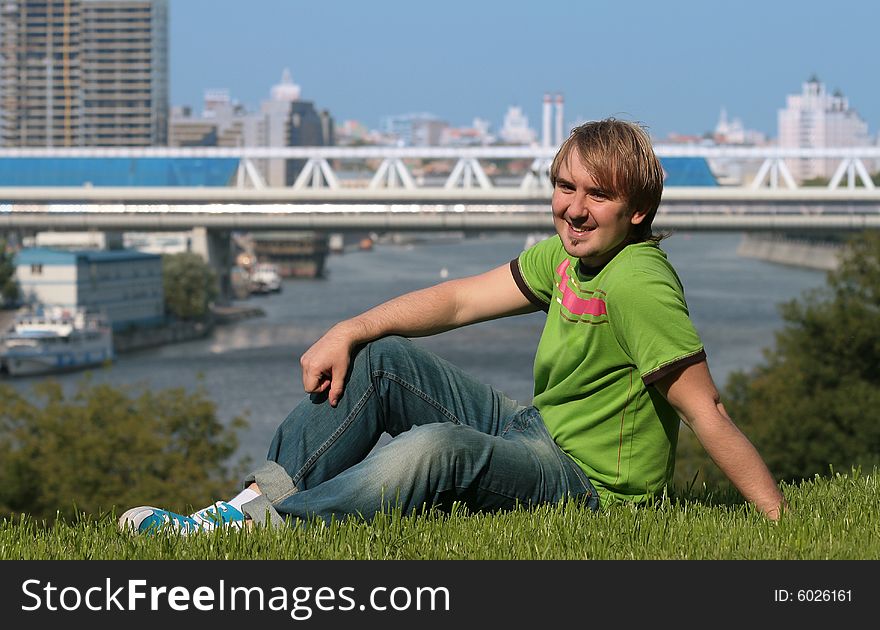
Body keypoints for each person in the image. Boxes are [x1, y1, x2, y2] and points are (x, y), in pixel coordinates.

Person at [119, 118, 785, 535]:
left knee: (438, 446)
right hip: (534, 428)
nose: (574, 211)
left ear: (637, 209)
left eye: (598, 195)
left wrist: (778, 523)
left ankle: (273, 531)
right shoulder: (566, 256)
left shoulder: (640, 279)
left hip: (590, 487)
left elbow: (708, 411)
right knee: (379, 359)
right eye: (564, 187)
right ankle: (243, 508)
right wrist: (352, 325)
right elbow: (463, 301)